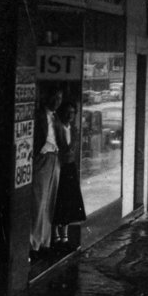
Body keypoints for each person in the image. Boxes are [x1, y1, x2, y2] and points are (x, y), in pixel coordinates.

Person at [31, 86, 63, 257]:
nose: (57, 101)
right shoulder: (38, 115)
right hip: (43, 159)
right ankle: (34, 243)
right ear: (47, 98)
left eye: (60, 98)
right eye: (55, 97)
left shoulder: (56, 117)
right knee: (38, 201)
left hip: (54, 159)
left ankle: (45, 242)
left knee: (50, 201)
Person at [53, 101, 87, 247]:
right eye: (68, 112)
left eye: (73, 112)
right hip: (59, 166)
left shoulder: (73, 129)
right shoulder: (58, 127)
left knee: (67, 200)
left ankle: (65, 234)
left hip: (70, 167)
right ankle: (55, 233)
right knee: (57, 199)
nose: (70, 115)